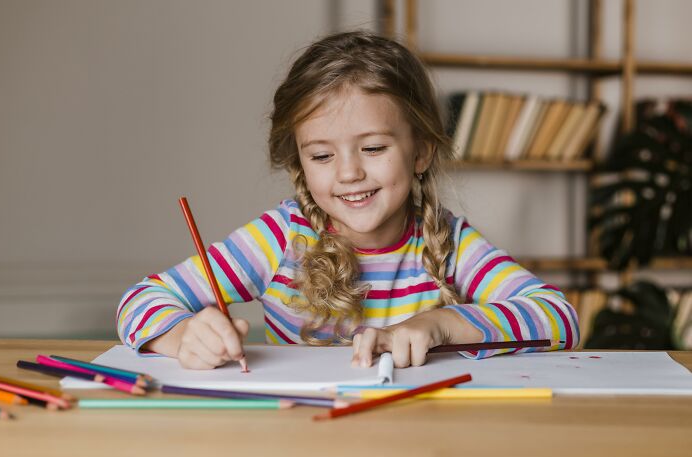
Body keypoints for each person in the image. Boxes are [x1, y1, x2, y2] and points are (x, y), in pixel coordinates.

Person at [116, 30, 579, 370]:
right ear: (300, 161)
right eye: (321, 154)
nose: (349, 172)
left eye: (373, 148)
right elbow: (141, 300)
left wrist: (438, 324)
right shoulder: (280, 238)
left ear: (420, 151)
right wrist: (181, 337)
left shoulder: (447, 240)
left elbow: (560, 319)